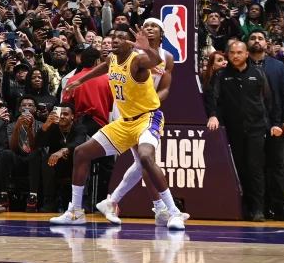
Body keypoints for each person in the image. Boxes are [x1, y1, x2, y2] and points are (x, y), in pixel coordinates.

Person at [56, 26, 187, 230]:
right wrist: (80, 81)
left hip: (147, 118)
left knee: (145, 158)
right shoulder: (112, 59)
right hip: (125, 122)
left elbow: (154, 61)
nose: (115, 40)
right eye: (113, 36)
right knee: (81, 153)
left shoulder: (138, 60)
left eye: (121, 37)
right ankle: (75, 211)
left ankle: (174, 212)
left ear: (130, 43)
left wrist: (147, 49)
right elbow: (105, 67)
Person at [98, 18, 183, 226]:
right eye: (146, 26)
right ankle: (161, 209)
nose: (150, 29)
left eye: (155, 26)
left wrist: (149, 99)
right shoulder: (133, 53)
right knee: (144, 160)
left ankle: (155, 208)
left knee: (143, 161)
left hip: (147, 110)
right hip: (128, 111)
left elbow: (165, 88)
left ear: (162, 33)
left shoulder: (167, 57)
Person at [206, 41, 283, 221]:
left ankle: (258, 209)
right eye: (232, 53)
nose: (235, 56)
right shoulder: (221, 75)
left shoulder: (259, 74)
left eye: (239, 52)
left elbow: (271, 100)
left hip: (256, 129)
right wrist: (213, 115)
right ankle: (245, 207)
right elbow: (212, 98)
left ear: (246, 54)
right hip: (233, 130)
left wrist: (274, 123)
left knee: (256, 169)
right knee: (240, 169)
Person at [246, 30, 284, 221]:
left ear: (267, 43)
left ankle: (280, 208)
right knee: (255, 168)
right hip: (251, 126)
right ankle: (259, 207)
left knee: (277, 167)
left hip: (275, 123)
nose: (257, 41)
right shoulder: (242, 64)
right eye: (253, 38)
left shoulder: (277, 65)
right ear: (247, 43)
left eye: (260, 38)